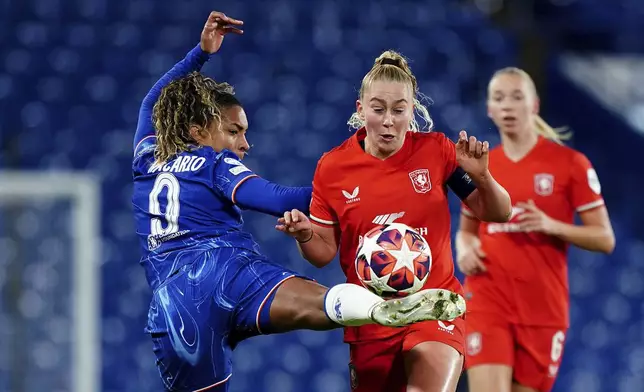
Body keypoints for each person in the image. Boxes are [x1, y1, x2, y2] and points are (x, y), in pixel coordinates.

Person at [132, 12, 467, 392]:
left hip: (173, 307)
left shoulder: (145, 156)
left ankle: (377, 310)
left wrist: (200, 53)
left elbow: (152, 101)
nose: (244, 144)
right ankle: (375, 309)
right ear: (198, 132)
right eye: (234, 132)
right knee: (318, 305)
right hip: (229, 272)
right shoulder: (213, 162)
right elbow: (275, 198)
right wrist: (351, 184)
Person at [277, 52, 512, 392]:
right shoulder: (332, 168)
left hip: (435, 307)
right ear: (360, 109)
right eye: (378, 109)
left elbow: (499, 212)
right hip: (371, 318)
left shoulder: (437, 152)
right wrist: (303, 235)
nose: (389, 120)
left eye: (399, 110)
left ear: (412, 111)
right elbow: (324, 252)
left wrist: (484, 177)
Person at [455, 67, 615, 392]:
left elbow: (605, 238)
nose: (508, 106)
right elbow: (466, 230)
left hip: (542, 309)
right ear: (489, 109)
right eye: (499, 98)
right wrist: (464, 248)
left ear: (534, 105)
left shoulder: (570, 164)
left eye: (517, 97)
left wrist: (551, 225)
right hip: (488, 297)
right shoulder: (483, 167)